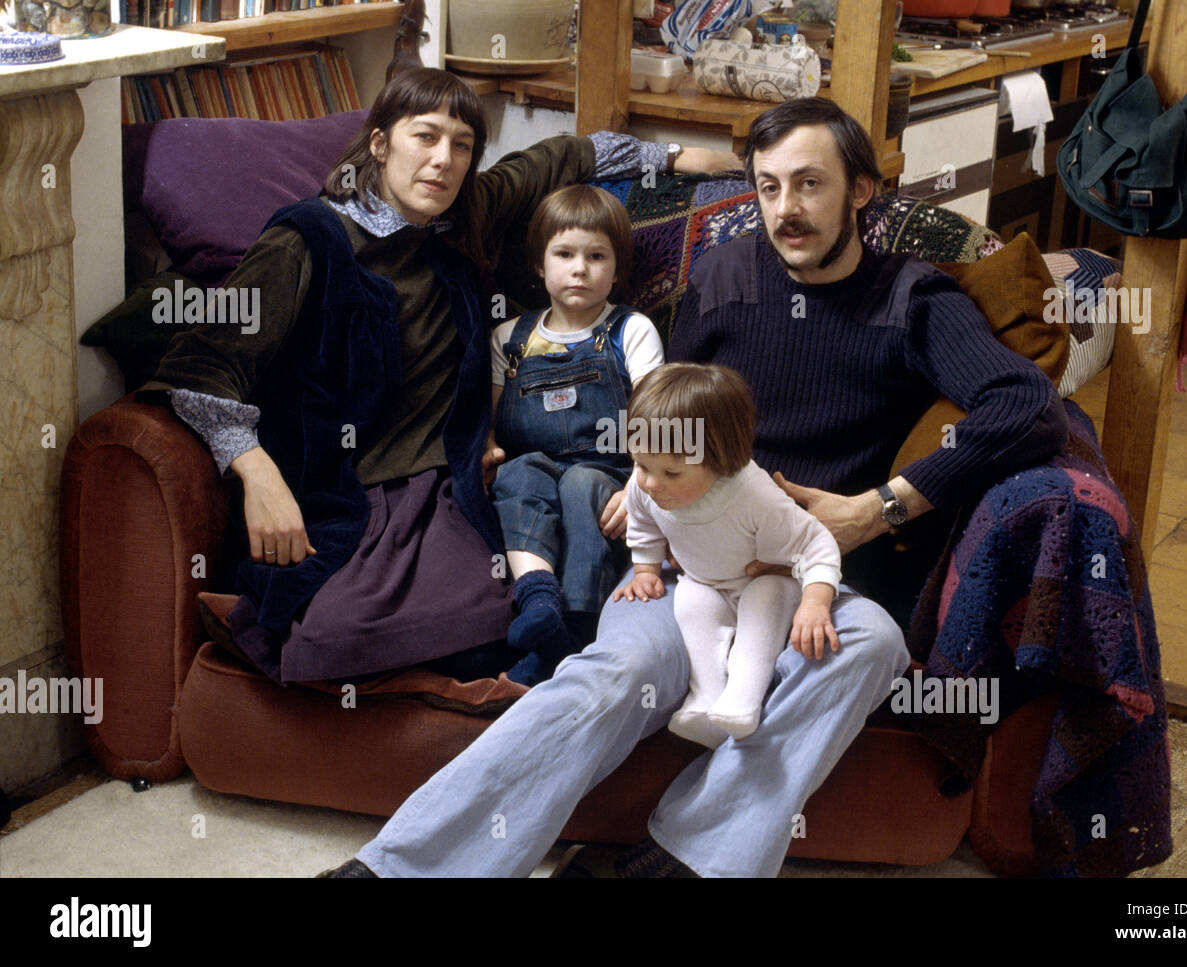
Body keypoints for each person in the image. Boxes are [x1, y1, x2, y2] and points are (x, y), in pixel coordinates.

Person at [331, 96, 1067, 878]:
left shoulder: (913, 300)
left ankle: (683, 859)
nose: (787, 209)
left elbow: (1027, 407)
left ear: (860, 192)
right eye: (769, 186)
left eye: (810, 184)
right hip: (688, 567)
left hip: (817, 583)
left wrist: (880, 507)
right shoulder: (722, 277)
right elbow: (667, 417)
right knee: (610, 678)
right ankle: (402, 868)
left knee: (876, 644)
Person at [141, 67, 738, 685]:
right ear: (379, 144)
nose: (443, 161)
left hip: (447, 483)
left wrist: (686, 156)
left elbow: (564, 155)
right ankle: (261, 627)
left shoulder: (465, 214)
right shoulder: (308, 239)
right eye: (424, 137)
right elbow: (202, 362)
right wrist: (259, 475)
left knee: (498, 622)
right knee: (328, 639)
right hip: (347, 490)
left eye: (461, 145)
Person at [487, 185, 664, 685]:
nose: (580, 268)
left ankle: (579, 625)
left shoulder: (631, 330)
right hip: (533, 464)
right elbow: (492, 424)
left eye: (596, 256)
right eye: (564, 254)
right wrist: (485, 450)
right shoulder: (509, 338)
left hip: (609, 469)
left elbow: (657, 417)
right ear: (540, 266)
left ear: (617, 268)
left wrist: (639, 487)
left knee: (580, 483)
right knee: (518, 473)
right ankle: (538, 599)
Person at [612, 363, 841, 748]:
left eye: (671, 473)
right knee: (690, 603)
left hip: (767, 581)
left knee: (762, 606)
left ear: (721, 461)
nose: (650, 483)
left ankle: (743, 699)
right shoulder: (645, 484)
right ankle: (705, 699)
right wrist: (645, 568)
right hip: (705, 581)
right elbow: (642, 522)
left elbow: (816, 544)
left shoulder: (753, 495)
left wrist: (816, 602)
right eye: (640, 464)